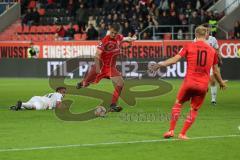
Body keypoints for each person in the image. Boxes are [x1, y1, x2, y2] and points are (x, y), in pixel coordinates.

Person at [149, 25, 227, 140]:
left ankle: (171, 131)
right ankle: (183, 134)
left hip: (189, 82)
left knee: (178, 104)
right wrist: (221, 83)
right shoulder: (212, 51)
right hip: (202, 86)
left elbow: (174, 59)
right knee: (194, 109)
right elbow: (215, 71)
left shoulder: (188, 46)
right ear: (206, 35)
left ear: (195, 35)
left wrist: (160, 64)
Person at [76, 24, 137, 112]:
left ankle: (113, 105)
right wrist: (97, 69)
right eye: (112, 32)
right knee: (86, 84)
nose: (113, 35)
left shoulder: (118, 37)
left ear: (118, 33)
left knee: (120, 83)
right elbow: (97, 54)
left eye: (115, 33)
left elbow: (126, 38)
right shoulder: (105, 40)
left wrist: (133, 39)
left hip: (110, 68)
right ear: (109, 30)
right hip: (101, 66)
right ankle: (82, 83)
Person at [202, 23, 222, 105]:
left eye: (209, 29)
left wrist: (220, 59)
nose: (208, 31)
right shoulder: (197, 39)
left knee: (212, 81)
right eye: (206, 29)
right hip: (200, 63)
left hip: (210, 63)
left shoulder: (213, 39)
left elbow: (217, 49)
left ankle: (213, 100)